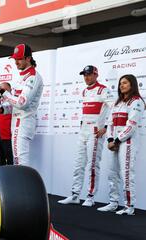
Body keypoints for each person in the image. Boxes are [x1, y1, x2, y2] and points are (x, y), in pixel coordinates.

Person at [58, 66, 114, 207]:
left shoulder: (103, 90)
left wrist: (106, 127)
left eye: (89, 74)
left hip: (95, 132)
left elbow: (115, 108)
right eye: (84, 75)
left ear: (96, 75)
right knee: (78, 164)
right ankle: (75, 195)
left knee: (92, 165)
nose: (86, 77)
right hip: (83, 131)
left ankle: (90, 196)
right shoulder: (84, 91)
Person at [97, 75, 145, 215]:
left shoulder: (137, 102)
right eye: (120, 83)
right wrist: (110, 140)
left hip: (128, 142)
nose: (121, 86)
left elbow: (131, 125)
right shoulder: (117, 103)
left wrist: (117, 141)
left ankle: (129, 206)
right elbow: (110, 122)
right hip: (114, 142)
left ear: (132, 84)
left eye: (125, 83)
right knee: (112, 173)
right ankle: (113, 203)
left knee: (126, 174)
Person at [0, 44, 43, 166]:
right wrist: (3, 110)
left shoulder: (33, 77)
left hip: (23, 122)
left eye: (19, 59)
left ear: (28, 58)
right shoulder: (22, 77)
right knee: (17, 160)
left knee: (20, 161)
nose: (16, 62)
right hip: (17, 122)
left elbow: (21, 103)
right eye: (15, 59)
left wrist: (5, 93)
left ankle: (24, 185)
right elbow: (15, 104)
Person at [0, 82, 13, 165]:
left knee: (10, 161)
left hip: (9, 138)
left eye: (6, 90)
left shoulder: (15, 102)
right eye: (2, 90)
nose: (3, 92)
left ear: (10, 90)